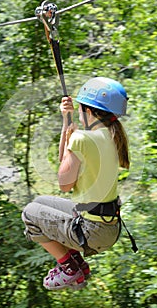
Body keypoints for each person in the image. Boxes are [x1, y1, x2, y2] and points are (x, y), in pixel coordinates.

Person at [21, 77, 130, 291]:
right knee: (41, 202)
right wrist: (67, 124)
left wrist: (69, 131)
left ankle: (70, 268)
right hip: (108, 225)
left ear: (87, 110)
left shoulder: (82, 138)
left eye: (80, 107)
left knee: (30, 214)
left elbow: (64, 183)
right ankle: (79, 265)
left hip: (92, 230)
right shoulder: (112, 135)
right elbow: (68, 168)